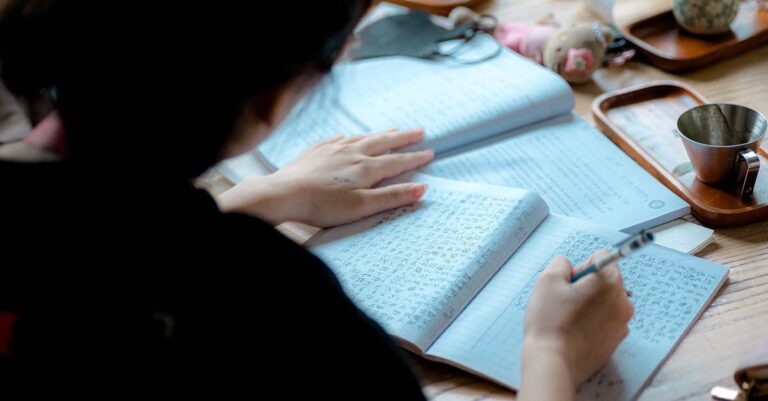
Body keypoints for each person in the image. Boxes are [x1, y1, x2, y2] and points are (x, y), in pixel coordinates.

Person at [0, 1, 633, 399]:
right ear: (271, 99)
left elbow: (105, 245)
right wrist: (552, 356)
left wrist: (257, 196)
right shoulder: (268, 295)